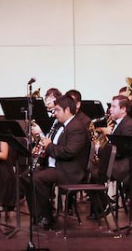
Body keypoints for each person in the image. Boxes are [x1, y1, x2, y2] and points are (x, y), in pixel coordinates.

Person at [26, 95, 90, 230]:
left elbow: (69, 152)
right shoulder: (60, 125)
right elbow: (55, 147)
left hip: (69, 171)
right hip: (56, 166)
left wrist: (48, 146)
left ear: (67, 110)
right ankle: (38, 214)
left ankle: (47, 216)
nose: (54, 113)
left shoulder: (76, 127)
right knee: (26, 176)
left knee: (37, 178)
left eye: (57, 110)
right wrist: (43, 148)